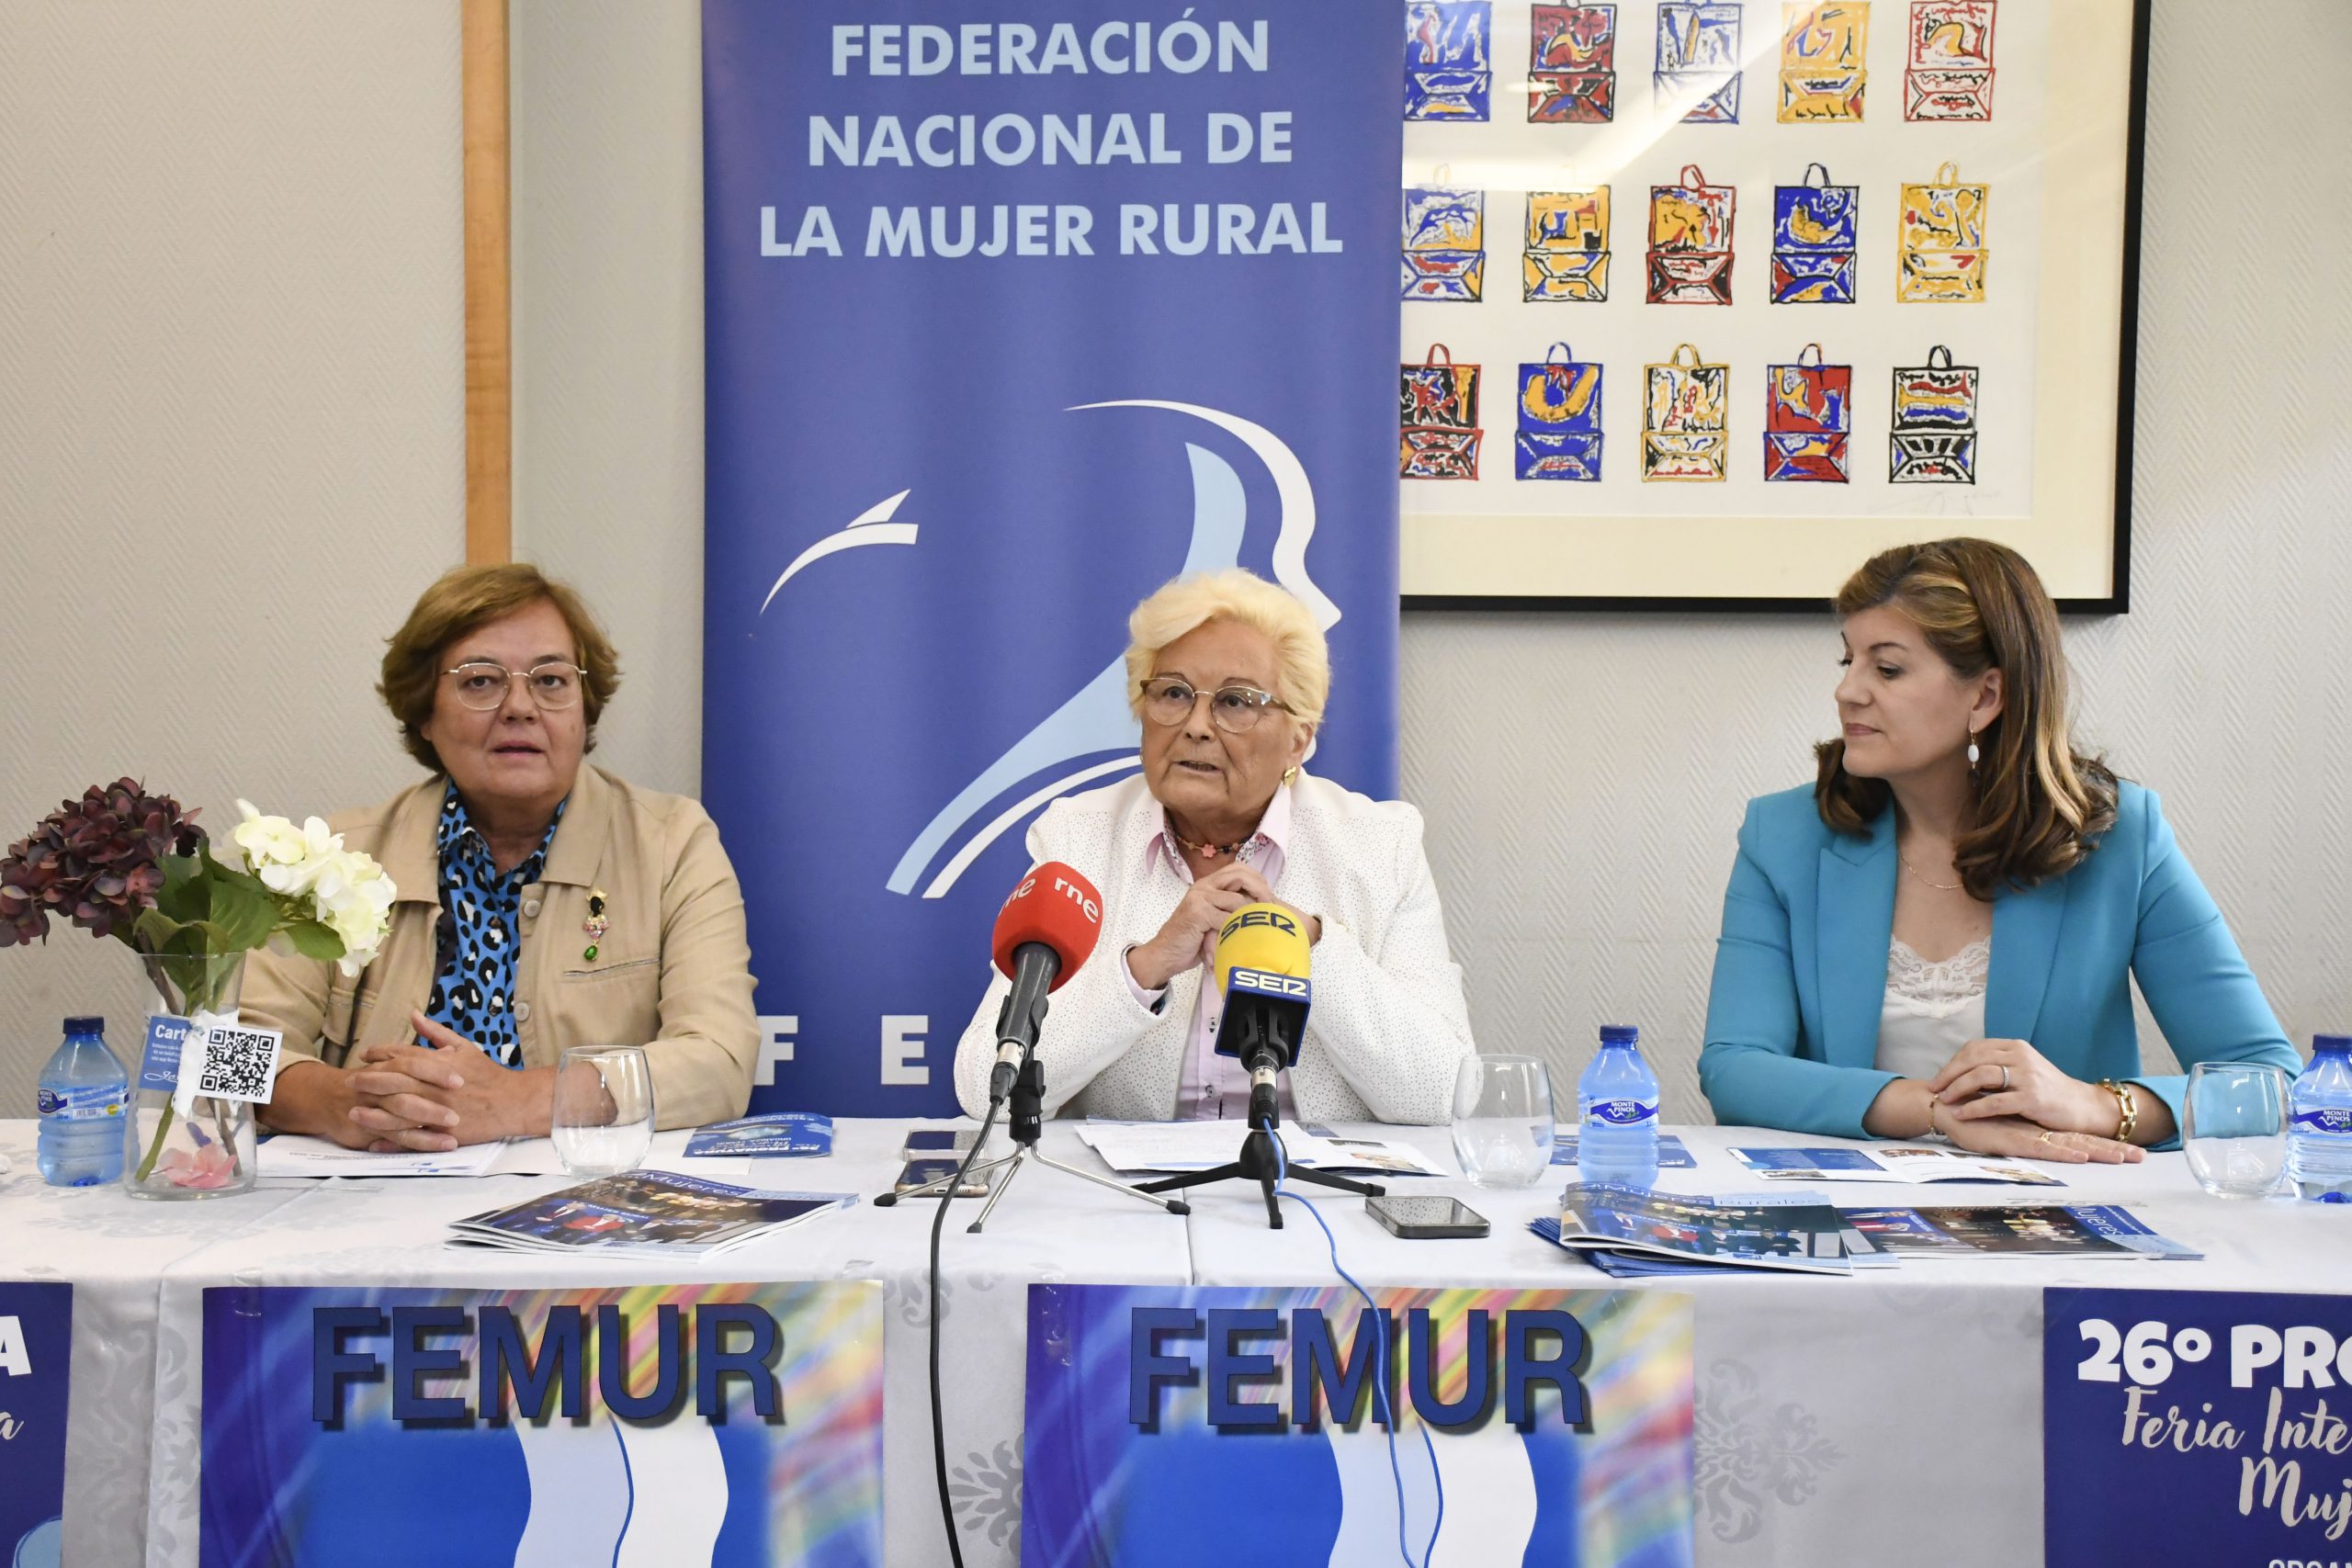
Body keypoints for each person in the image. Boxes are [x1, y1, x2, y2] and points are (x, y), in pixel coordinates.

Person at [1699, 538, 2297, 1158]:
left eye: (1887, 667)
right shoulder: (1785, 835)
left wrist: (2093, 1104)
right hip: (1846, 1220)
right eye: (1847, 660)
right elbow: (1735, 1067)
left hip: (2060, 1221)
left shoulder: (2121, 839)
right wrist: (1935, 1110)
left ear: (1985, 696)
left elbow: (2271, 1084)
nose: (1847, 691)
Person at [245, 564, 758, 1147]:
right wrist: (342, 1104)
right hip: (374, 1188)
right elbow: (227, 1055)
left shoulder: (672, 844)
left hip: (584, 1199)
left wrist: (516, 1101)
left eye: (551, 680)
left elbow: (719, 1061)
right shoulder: (334, 857)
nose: (520, 706)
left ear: (584, 707)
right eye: (481, 681)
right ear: (423, 712)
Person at [951, 569, 1476, 1124]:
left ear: (1299, 737)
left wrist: (1311, 948)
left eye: (1236, 701)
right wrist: (1142, 969)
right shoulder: (1078, 837)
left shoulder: (1378, 846)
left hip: (1317, 1198)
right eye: (1174, 693)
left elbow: (1444, 1093)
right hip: (1130, 1202)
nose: (1197, 725)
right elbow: (987, 1088)